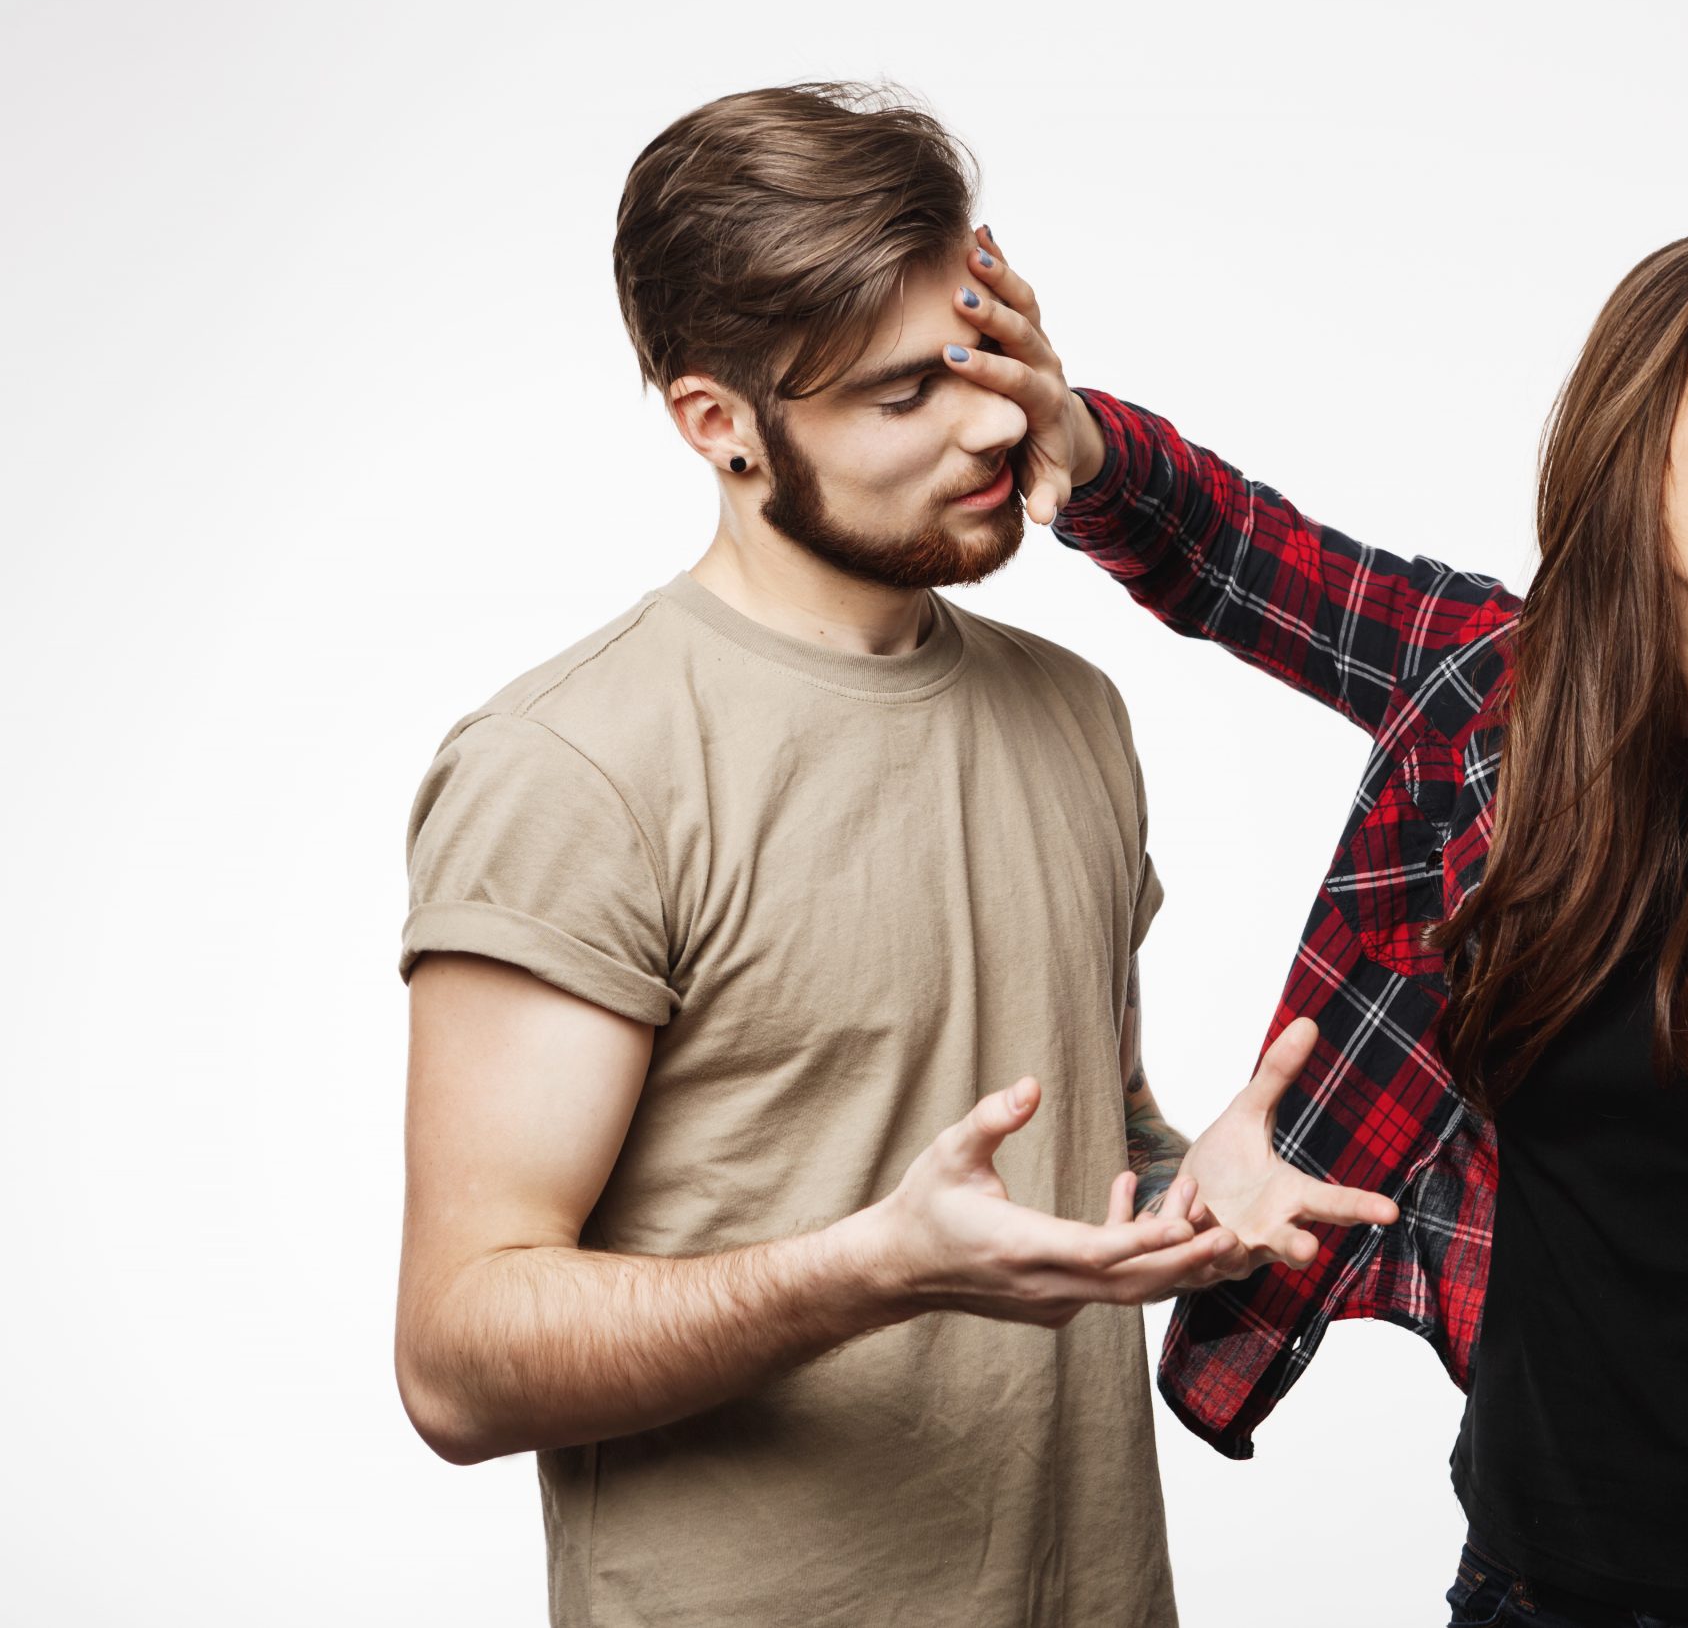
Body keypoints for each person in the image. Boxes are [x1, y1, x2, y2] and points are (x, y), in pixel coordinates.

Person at [935, 223, 1688, 1628]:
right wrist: (1076, 439)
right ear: (1643, 421)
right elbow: (1241, 558)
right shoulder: (1493, 697)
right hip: (1535, 1587)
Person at [393, 82, 1392, 1628]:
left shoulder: (1074, 713)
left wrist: (1191, 1188)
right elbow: (458, 1357)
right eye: (898, 394)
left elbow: (1083, 1142)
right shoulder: (575, 766)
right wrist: (870, 1267)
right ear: (721, 424)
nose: (996, 422)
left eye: (978, 358)